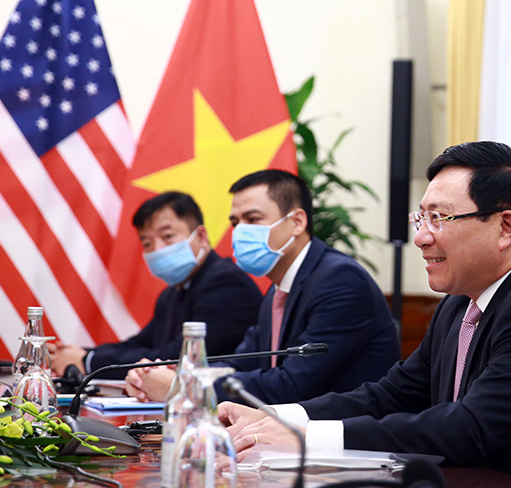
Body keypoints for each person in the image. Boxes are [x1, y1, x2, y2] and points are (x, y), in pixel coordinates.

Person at [218, 142, 511, 488]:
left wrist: (305, 437)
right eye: (421, 216)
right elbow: (391, 394)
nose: (421, 236)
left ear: (505, 228)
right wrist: (273, 417)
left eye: (439, 218)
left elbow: (470, 428)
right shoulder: (458, 304)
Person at [125, 170, 400, 404]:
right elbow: (241, 362)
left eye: (253, 219)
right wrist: (182, 373)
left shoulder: (340, 281)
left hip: (350, 445)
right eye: (235, 222)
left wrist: (184, 387)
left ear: (297, 222)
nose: (240, 231)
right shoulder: (278, 289)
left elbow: (292, 384)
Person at [48, 191, 262, 378]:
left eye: (167, 236)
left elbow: (177, 356)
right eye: (148, 243)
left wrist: (88, 361)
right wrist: (77, 354)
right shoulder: (172, 293)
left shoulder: (226, 284)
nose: (158, 249)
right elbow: (140, 344)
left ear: (202, 236)